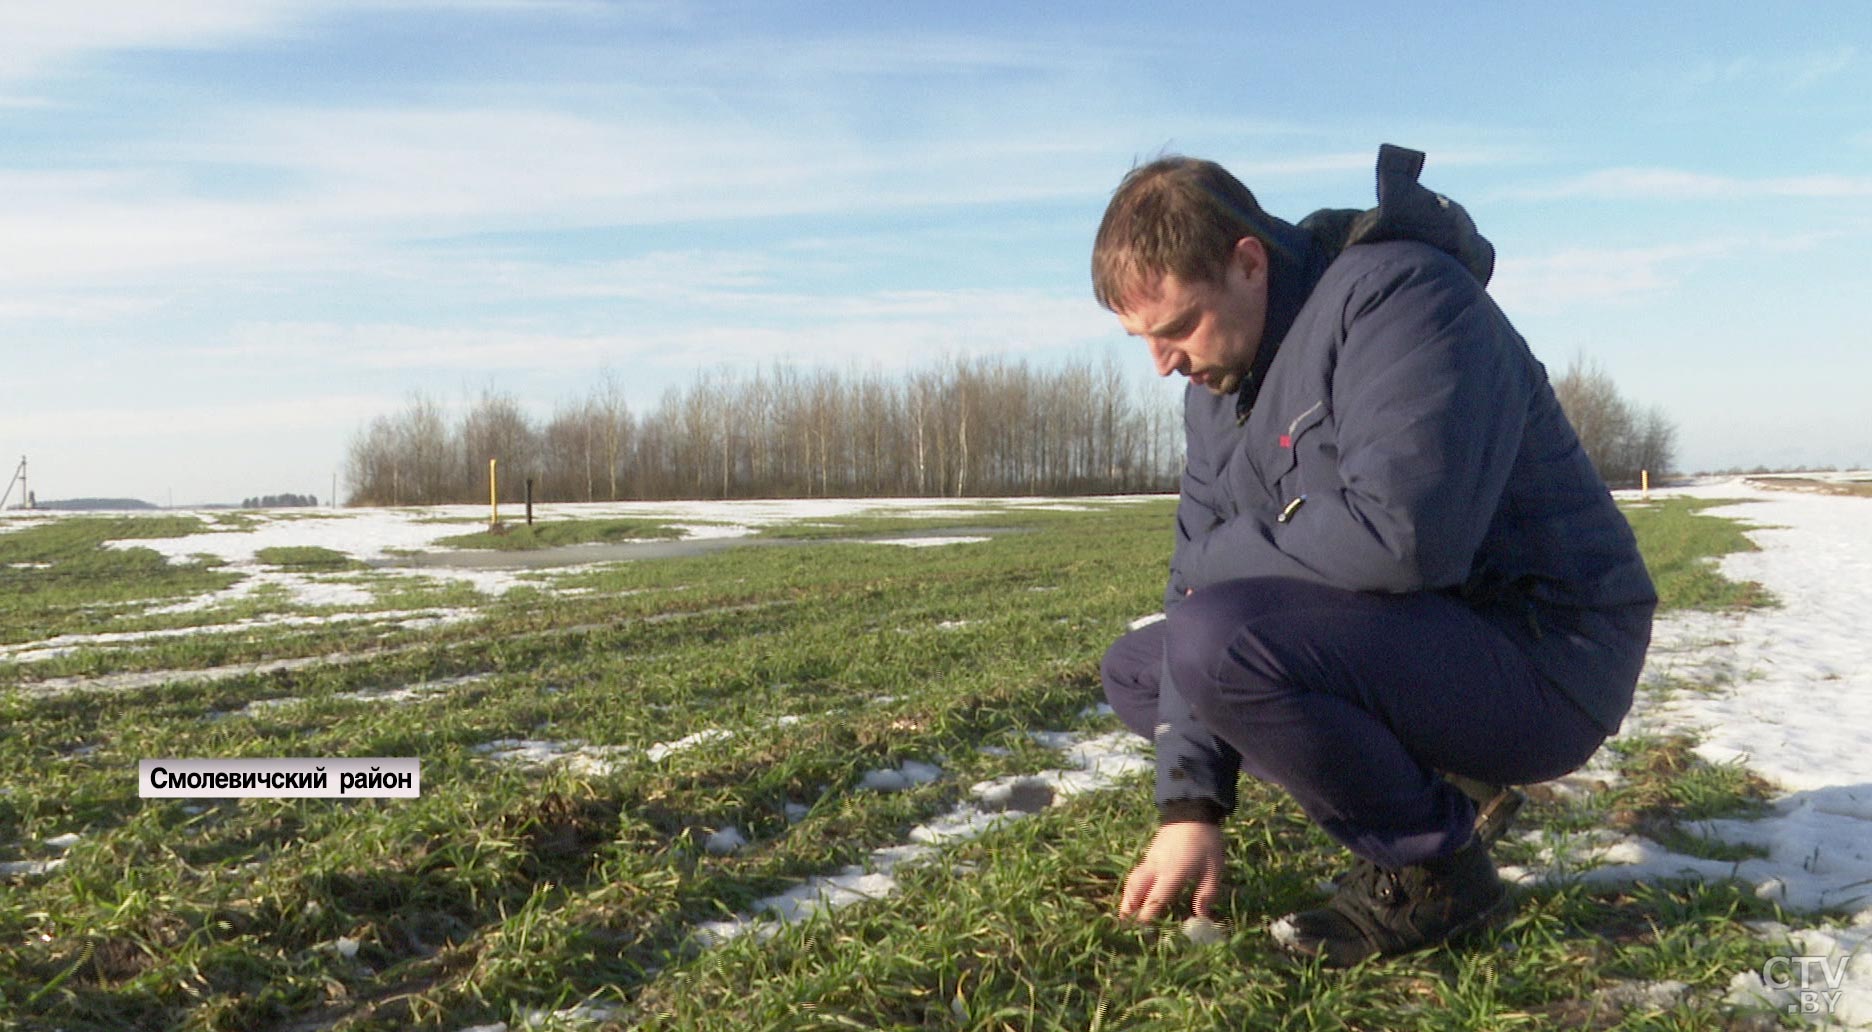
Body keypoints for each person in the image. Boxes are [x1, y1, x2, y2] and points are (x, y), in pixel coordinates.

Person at [1091, 145, 1656, 966]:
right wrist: (1189, 807)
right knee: (1142, 668)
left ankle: (1435, 871)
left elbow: (1402, 540)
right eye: (1143, 338)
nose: (1163, 362)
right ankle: (1446, 786)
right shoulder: (1214, 397)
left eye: (1176, 326)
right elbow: (1191, 582)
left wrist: (1222, 561)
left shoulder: (1403, 297)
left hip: (1548, 654)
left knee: (1221, 641)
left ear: (1248, 263)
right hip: (1427, 647)